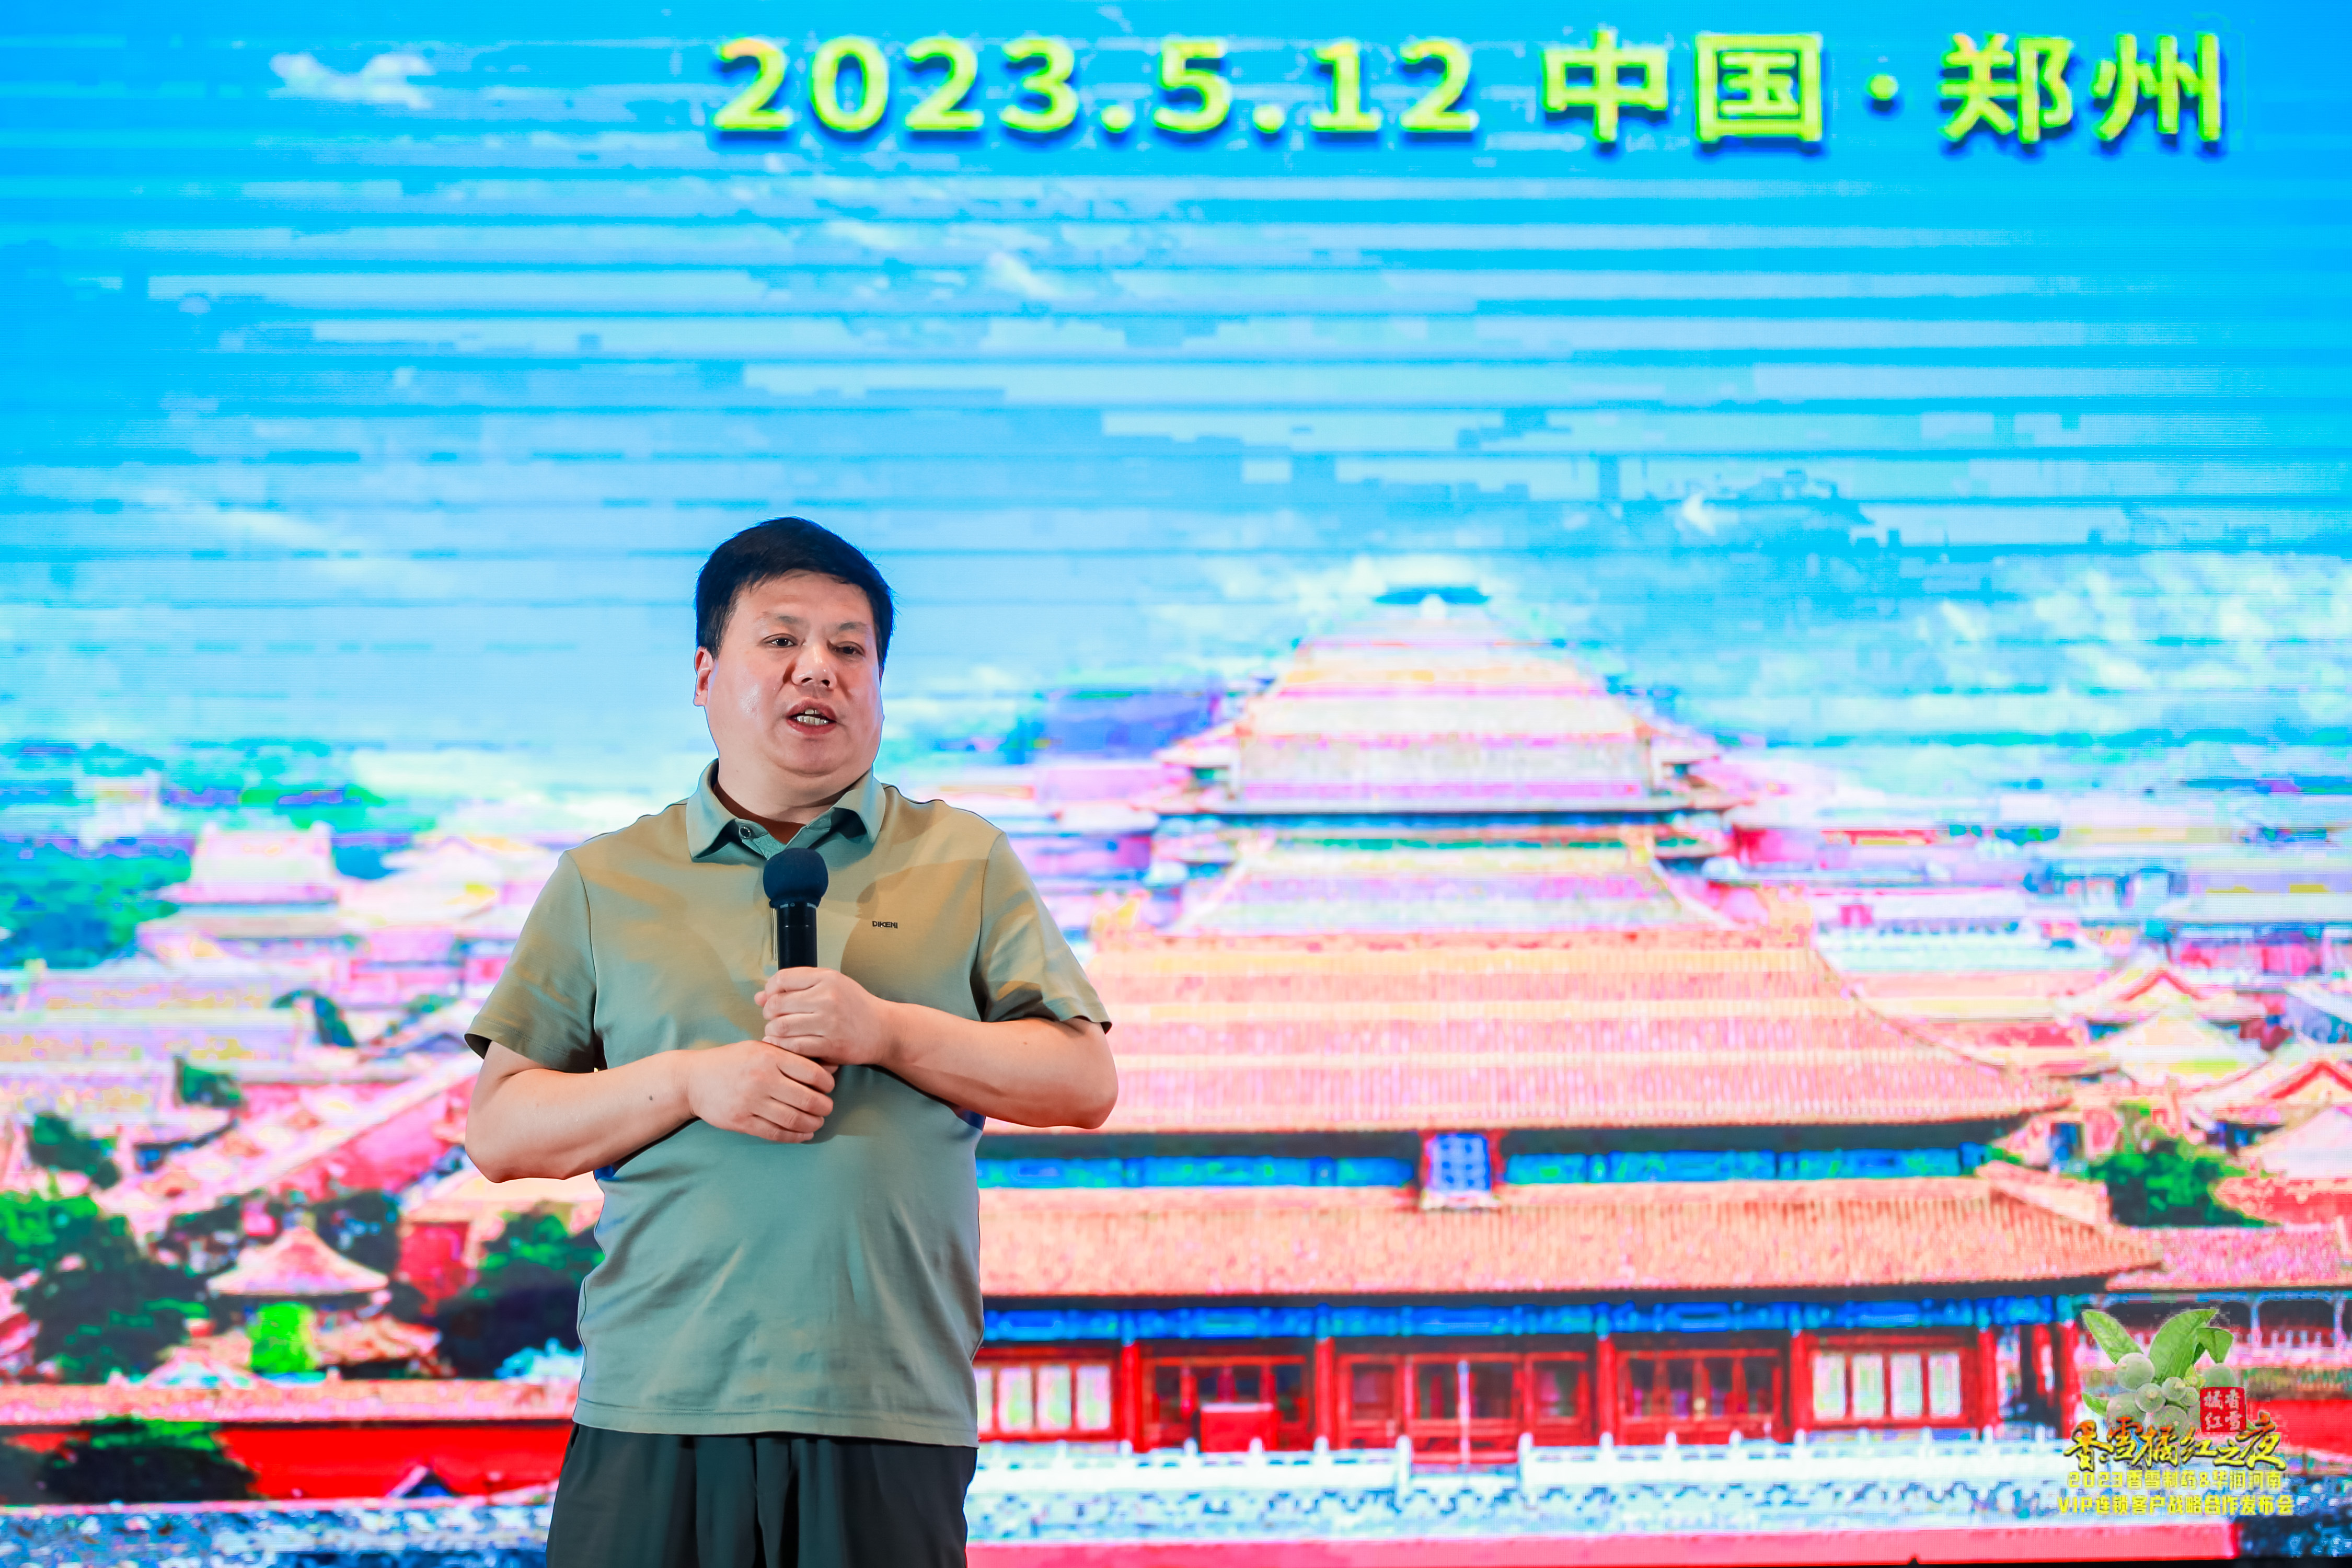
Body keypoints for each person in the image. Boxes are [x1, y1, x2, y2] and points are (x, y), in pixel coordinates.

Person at [462, 517, 1117, 1567]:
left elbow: (1082, 1081)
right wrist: (690, 1082)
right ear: (704, 675)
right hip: (657, 1403)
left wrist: (887, 1029)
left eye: (850, 648)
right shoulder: (603, 879)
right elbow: (501, 1133)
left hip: (888, 1408)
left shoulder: (964, 858)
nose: (819, 669)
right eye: (781, 640)